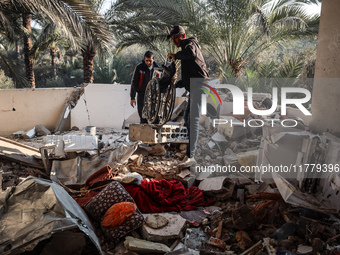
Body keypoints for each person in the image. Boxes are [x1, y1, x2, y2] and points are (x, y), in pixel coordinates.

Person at [167, 25, 209, 167]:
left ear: (182, 36)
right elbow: (189, 74)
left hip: (200, 85)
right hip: (194, 86)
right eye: (172, 38)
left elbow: (190, 54)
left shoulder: (190, 45)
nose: (174, 40)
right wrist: (176, 84)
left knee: (193, 119)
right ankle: (191, 151)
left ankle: (191, 156)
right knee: (187, 117)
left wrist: (175, 56)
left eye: (176, 37)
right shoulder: (185, 50)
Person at [130, 51, 159, 123]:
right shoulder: (139, 67)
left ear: (153, 59)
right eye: (147, 60)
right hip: (142, 93)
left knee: (155, 115)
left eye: (150, 60)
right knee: (142, 115)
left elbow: (159, 81)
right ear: (144, 59)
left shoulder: (157, 68)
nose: (148, 62)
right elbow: (134, 82)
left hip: (153, 94)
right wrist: (132, 97)